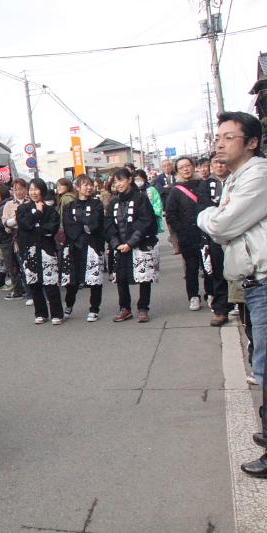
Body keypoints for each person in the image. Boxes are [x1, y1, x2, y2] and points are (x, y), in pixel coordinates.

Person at [195, 112, 267, 478]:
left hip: (265, 279)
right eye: (218, 137)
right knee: (263, 362)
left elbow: (222, 225)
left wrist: (205, 215)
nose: (219, 143)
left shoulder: (258, 175)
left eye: (229, 137)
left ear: (252, 142)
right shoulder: (238, 177)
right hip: (254, 281)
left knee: (266, 366)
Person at [106, 168, 159, 323]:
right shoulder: (114, 201)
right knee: (121, 278)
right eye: (115, 182)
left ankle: (143, 308)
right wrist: (116, 243)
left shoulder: (141, 198)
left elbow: (146, 221)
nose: (118, 184)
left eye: (121, 180)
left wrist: (131, 242)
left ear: (129, 179)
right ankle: (125, 308)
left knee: (143, 278)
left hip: (139, 244)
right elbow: (108, 224)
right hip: (120, 246)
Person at [17, 178, 65, 325]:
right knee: (34, 284)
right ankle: (41, 313)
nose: (33, 192)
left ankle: (57, 314)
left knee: (50, 284)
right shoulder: (23, 209)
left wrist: (35, 228)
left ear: (42, 190)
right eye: (31, 189)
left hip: (47, 250)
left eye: (36, 189)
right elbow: (24, 225)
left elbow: (51, 228)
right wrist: (37, 214)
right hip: (30, 251)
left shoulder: (51, 210)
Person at [62, 175, 105, 322]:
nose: (89, 187)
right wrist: (82, 226)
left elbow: (95, 223)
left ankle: (94, 309)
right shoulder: (69, 206)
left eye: (90, 185)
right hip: (74, 246)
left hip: (92, 245)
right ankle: (68, 305)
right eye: (85, 185)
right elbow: (68, 225)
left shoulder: (97, 204)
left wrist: (81, 223)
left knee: (95, 280)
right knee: (72, 280)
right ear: (78, 187)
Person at [198, 152, 234, 326]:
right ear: (211, 166)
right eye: (215, 163)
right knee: (218, 272)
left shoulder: (237, 180)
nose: (220, 165)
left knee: (239, 271)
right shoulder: (205, 185)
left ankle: (239, 305)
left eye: (222, 162)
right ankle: (221, 309)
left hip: (237, 233)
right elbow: (204, 209)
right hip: (215, 235)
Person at [164, 156, 204, 311]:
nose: (186, 169)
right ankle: (193, 296)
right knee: (191, 267)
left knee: (209, 266)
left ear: (193, 166)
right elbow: (171, 214)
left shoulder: (203, 185)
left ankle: (212, 294)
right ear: (177, 171)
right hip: (187, 235)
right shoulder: (175, 190)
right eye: (182, 167)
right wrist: (182, 230)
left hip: (206, 232)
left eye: (188, 165)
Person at [2, 178, 29, 302]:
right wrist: (12, 221)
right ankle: (28, 293)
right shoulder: (9, 204)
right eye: (15, 189)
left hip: (31, 236)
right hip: (17, 239)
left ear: (26, 189)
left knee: (33, 266)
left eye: (21, 189)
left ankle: (36, 293)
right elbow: (5, 222)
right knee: (22, 266)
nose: (18, 192)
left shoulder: (30, 202)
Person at [154, 159, 179, 253]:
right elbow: (160, 190)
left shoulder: (177, 175)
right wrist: (170, 188)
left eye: (168, 165)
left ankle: (181, 244)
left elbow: (178, 186)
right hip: (167, 206)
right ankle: (176, 247)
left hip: (179, 204)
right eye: (164, 166)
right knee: (171, 226)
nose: (167, 167)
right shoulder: (159, 178)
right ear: (162, 168)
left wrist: (170, 188)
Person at [134, 169, 164, 234]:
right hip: (137, 220)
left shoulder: (151, 189)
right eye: (135, 180)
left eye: (139, 179)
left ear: (144, 179)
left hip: (151, 218)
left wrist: (154, 214)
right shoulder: (133, 192)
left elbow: (157, 203)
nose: (137, 181)